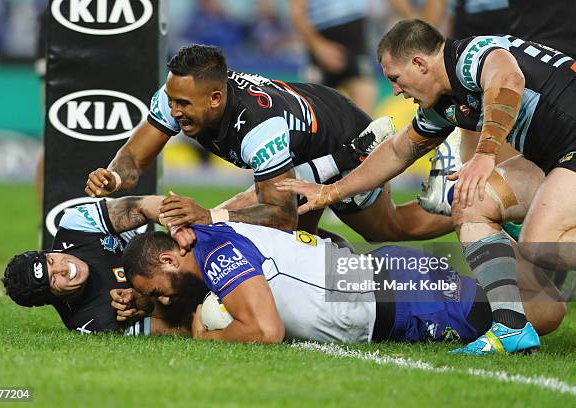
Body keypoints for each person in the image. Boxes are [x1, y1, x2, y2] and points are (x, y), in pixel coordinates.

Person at [275, 19, 576, 354]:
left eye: (395, 78)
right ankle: (511, 326)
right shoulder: (444, 101)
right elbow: (397, 150)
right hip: (557, 155)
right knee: (471, 202)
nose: (396, 91)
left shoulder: (470, 55)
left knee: (539, 241)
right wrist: (330, 192)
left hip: (568, 147)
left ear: (419, 63)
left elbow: (509, 78)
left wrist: (485, 153)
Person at [84, 44, 453, 247]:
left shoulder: (260, 130)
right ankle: (336, 262)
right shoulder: (176, 95)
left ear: (215, 99)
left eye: (183, 105)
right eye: (172, 101)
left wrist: (209, 215)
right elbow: (134, 156)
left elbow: (280, 215)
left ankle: (471, 209)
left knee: (385, 229)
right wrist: (114, 178)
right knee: (294, 242)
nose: (174, 112)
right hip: (304, 143)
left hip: (344, 140)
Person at [120, 221, 564, 346]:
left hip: (395, 297)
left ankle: (504, 234)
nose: (164, 298)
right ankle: (502, 236)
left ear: (168, 257)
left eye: (157, 287)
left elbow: (264, 331)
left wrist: (206, 337)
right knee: (513, 306)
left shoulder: (218, 256)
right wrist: (149, 312)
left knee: (544, 315)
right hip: (378, 283)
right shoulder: (210, 245)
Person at [1, 195, 206, 335]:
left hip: (188, 248)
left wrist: (178, 227)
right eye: (54, 278)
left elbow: (142, 206)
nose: (63, 268)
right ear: (51, 298)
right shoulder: (91, 323)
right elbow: (179, 328)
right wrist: (149, 305)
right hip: (199, 298)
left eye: (51, 260)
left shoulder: (75, 225)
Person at [289, 0, 376, 113]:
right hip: (323, 37)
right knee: (319, 113)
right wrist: (318, 46)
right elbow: (297, 10)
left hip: (356, 37)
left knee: (365, 109)